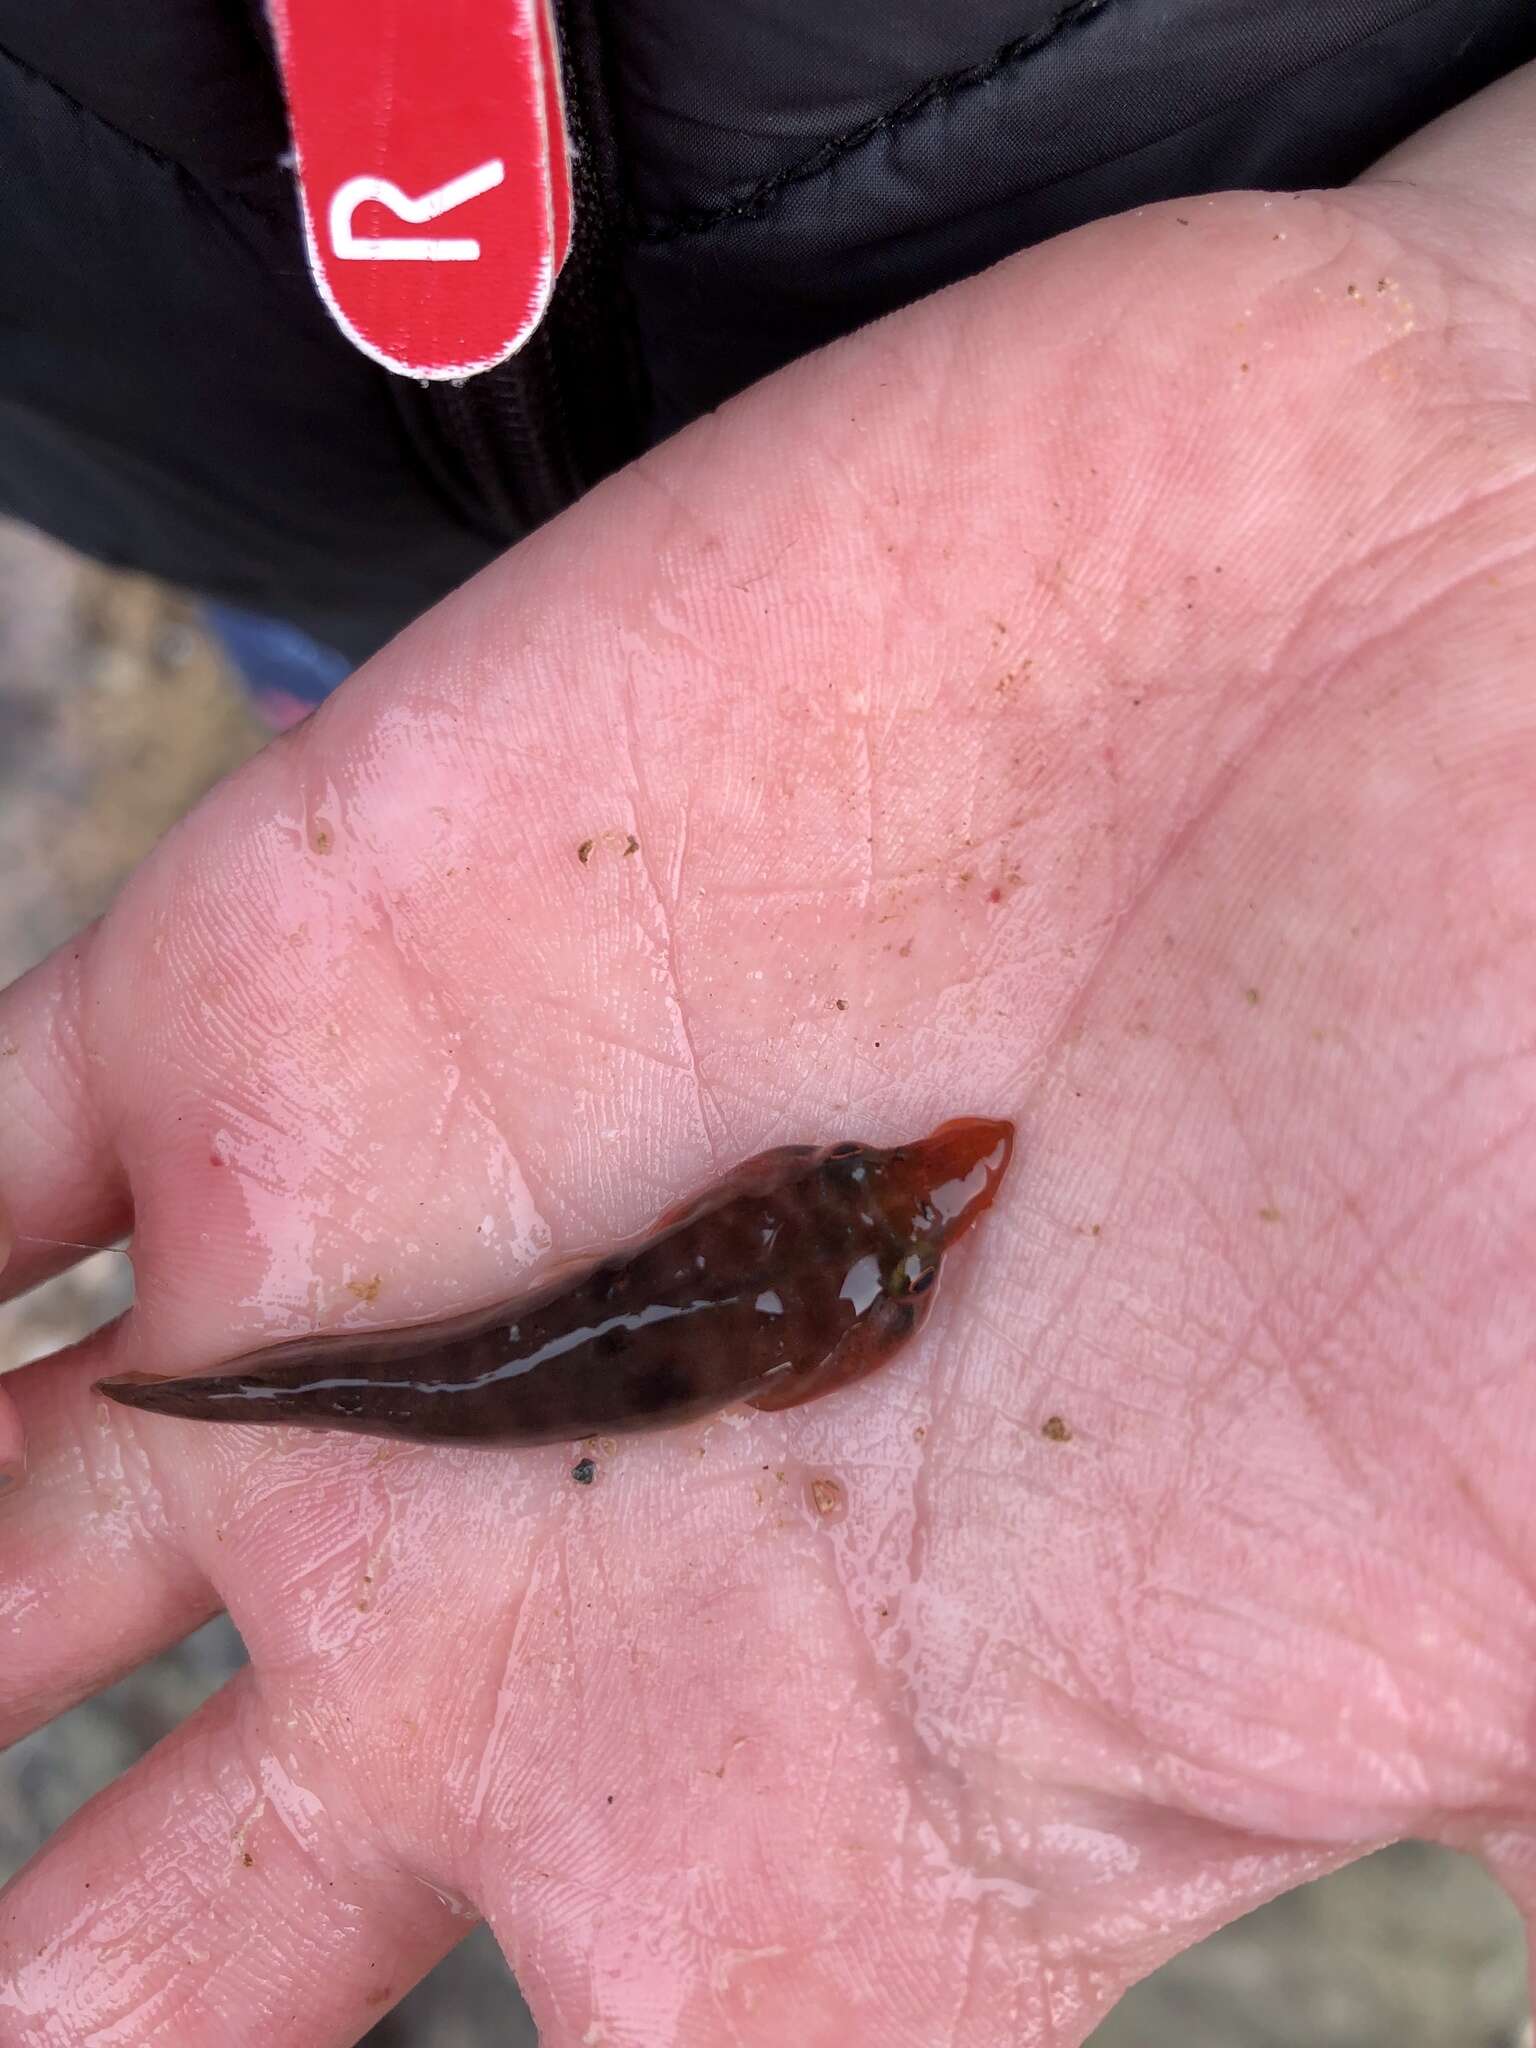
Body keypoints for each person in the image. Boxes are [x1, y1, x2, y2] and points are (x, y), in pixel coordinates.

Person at [1, 25, 1534, 2048]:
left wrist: (1488, 336)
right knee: (350, 654)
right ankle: (339, 670)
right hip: (190, 394)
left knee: (386, 716)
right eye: (856, 1207)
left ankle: (352, 678)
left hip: (1122, 273)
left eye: (857, 1219)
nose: (896, 1192)